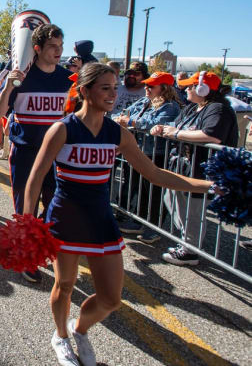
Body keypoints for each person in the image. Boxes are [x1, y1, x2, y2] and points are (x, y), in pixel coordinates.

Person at [23, 63, 214, 366]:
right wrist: (27, 223)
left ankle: (79, 329)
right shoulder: (62, 129)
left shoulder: (118, 134)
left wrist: (208, 186)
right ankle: (60, 336)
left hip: (101, 221)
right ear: (85, 91)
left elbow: (154, 174)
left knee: (111, 299)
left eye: (114, 88)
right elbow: (35, 178)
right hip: (65, 218)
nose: (114, 94)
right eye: (105, 88)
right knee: (65, 285)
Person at [0, 23, 73, 283]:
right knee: (25, 208)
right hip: (26, 152)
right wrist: (8, 87)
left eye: (61, 46)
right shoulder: (21, 76)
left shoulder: (66, 78)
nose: (58, 52)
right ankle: (27, 258)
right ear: (36, 49)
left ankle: (36, 243)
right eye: (52, 47)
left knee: (54, 206)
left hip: (55, 154)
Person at [150, 71, 238, 266]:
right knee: (172, 200)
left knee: (193, 209)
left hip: (202, 169)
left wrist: (177, 133)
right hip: (183, 165)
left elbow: (212, 136)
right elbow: (175, 125)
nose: (186, 89)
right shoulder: (194, 107)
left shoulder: (218, 109)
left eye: (190, 86)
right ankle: (188, 241)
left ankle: (190, 250)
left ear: (203, 89)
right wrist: (162, 128)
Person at [112, 72, 181, 242]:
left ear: (164, 88)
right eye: (147, 85)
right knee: (139, 189)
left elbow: (155, 124)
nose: (147, 88)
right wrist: (126, 120)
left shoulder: (170, 106)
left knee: (153, 192)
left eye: (151, 86)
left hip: (157, 153)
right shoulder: (144, 102)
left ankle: (154, 227)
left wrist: (131, 121)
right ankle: (138, 220)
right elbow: (121, 115)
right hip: (138, 150)